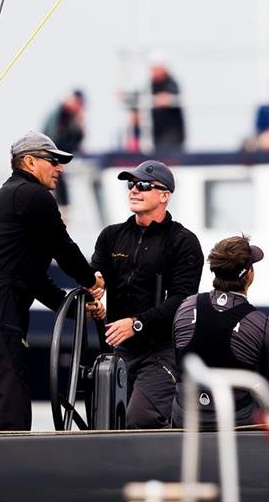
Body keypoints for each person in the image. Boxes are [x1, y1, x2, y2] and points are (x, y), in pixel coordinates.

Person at [0, 130, 103, 431]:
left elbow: (33, 278)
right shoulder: (33, 196)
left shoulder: (6, 198)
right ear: (30, 162)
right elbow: (63, 247)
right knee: (9, 406)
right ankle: (12, 472)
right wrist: (92, 280)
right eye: (53, 161)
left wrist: (71, 308)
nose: (60, 168)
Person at [91, 160, 203, 428]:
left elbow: (182, 301)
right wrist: (92, 297)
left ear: (165, 195)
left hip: (161, 352)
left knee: (139, 420)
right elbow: (96, 280)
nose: (133, 190)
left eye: (142, 185)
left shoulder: (183, 242)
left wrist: (137, 324)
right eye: (131, 184)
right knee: (106, 424)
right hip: (118, 351)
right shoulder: (111, 236)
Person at [171, 236, 269, 428]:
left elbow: (177, 366)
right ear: (249, 275)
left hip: (185, 415)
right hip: (235, 419)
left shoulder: (185, 307)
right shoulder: (261, 323)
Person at [43, 90, 85, 210]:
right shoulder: (59, 114)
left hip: (62, 154)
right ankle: (63, 206)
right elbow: (53, 139)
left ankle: (64, 206)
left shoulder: (72, 117)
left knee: (59, 177)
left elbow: (77, 139)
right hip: (55, 153)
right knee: (57, 177)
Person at [150, 64, 185, 153]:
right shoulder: (152, 85)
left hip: (171, 134)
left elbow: (170, 97)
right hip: (157, 133)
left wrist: (164, 99)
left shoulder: (171, 83)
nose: (153, 73)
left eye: (155, 70)